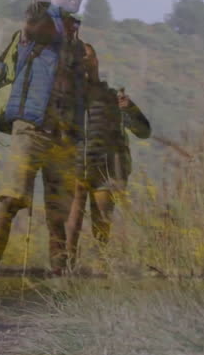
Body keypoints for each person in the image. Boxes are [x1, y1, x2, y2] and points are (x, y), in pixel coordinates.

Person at [0, 0, 93, 279]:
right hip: (30, 130)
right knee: (12, 200)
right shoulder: (39, 25)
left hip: (65, 137)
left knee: (60, 213)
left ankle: (59, 290)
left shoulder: (78, 42)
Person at [65, 42, 152, 269]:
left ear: (95, 63)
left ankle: (98, 271)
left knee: (102, 227)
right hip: (73, 170)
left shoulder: (112, 98)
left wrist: (129, 108)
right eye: (78, 60)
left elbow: (143, 131)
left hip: (106, 172)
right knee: (69, 228)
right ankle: (65, 273)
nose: (83, 64)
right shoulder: (64, 97)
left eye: (87, 59)